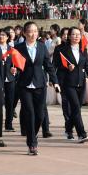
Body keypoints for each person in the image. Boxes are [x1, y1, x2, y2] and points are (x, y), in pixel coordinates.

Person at [12, 21, 58, 155]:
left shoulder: (42, 47)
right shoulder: (18, 47)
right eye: (30, 31)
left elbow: (48, 65)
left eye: (35, 31)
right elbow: (13, 64)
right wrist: (13, 70)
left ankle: (33, 134)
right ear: (25, 33)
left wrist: (55, 81)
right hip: (24, 84)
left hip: (39, 83)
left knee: (40, 115)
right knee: (30, 114)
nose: (33, 34)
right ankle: (32, 143)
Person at [54, 27, 88, 144]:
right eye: (73, 34)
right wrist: (66, 67)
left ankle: (68, 128)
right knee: (75, 107)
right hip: (68, 83)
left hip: (81, 83)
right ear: (69, 36)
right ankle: (82, 134)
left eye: (78, 34)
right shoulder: (61, 50)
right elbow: (55, 65)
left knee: (77, 109)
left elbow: (86, 66)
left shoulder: (83, 50)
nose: (76, 36)